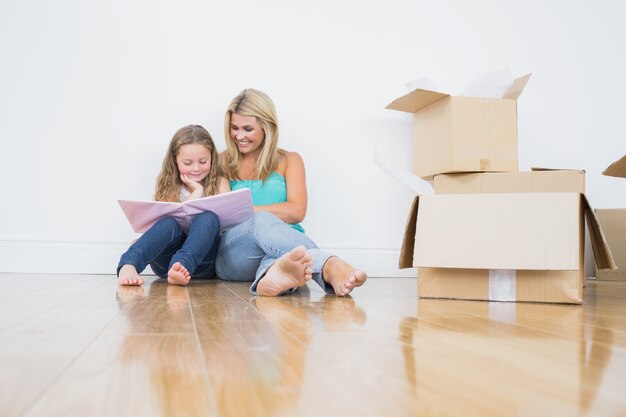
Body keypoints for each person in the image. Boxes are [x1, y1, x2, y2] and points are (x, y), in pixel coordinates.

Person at [215, 88, 368, 296]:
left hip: (283, 248)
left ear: (267, 128)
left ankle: (271, 276)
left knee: (286, 260)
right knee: (262, 221)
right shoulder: (221, 161)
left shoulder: (290, 160)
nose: (239, 136)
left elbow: (297, 211)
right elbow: (222, 216)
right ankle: (328, 265)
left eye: (247, 129)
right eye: (234, 128)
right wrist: (259, 214)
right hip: (235, 253)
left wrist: (245, 210)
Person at [117, 124, 230, 286]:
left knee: (208, 217)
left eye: (203, 161)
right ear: (175, 161)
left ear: (212, 157)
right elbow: (164, 227)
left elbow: (225, 224)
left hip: (202, 262)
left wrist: (199, 190)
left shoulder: (220, 183)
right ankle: (129, 264)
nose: (196, 168)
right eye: (188, 163)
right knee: (169, 222)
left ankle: (182, 265)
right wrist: (195, 193)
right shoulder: (169, 185)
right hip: (164, 263)